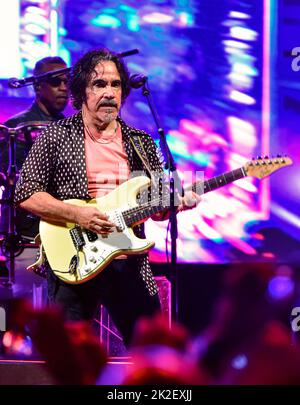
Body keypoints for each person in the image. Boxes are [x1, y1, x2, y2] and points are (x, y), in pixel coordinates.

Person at [14, 48, 200, 347]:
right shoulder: (56, 136)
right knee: (68, 356)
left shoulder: (140, 142)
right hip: (75, 260)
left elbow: (155, 209)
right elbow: (25, 194)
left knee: (153, 350)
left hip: (130, 259)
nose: (109, 92)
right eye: (99, 84)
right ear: (81, 91)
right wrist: (78, 214)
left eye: (115, 85)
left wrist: (176, 204)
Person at [0, 56, 69, 240]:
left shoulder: (72, 128)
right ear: (38, 86)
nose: (63, 87)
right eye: (55, 81)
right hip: (24, 234)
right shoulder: (14, 126)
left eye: (67, 81)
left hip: (64, 231)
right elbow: (7, 176)